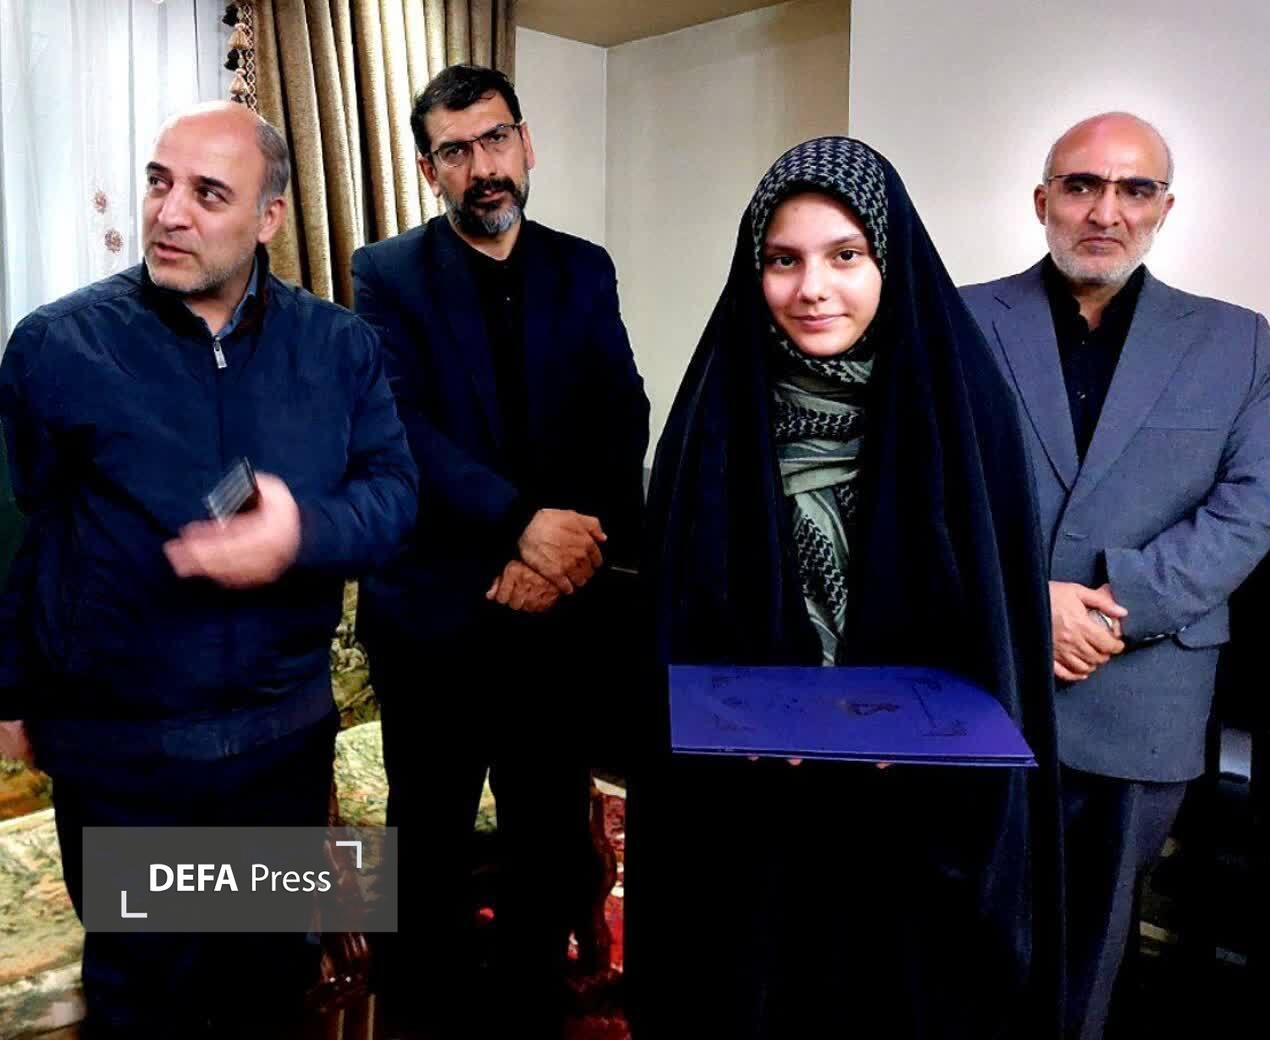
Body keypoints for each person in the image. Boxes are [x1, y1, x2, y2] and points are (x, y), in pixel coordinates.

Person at [624, 135, 1063, 1039]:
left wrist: (909, 732)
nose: (812, 288)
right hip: (753, 813)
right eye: (783, 260)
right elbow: (678, 618)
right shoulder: (715, 411)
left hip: (911, 819)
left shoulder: (965, 406)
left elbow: (993, 621)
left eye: (845, 256)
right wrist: (751, 717)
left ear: (888, 261)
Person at [0, 101, 418, 1038]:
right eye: (159, 182)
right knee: (144, 1002)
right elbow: (27, 531)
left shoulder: (341, 346)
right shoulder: (56, 345)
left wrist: (299, 533)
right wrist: (12, 691)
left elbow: (396, 498)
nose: (169, 212)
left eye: (207, 193)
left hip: (280, 750)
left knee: (269, 990)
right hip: (125, 763)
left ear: (269, 216)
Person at [351, 64, 648, 1038]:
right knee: (424, 851)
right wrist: (522, 525)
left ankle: (532, 1010)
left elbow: (621, 415)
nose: (482, 167)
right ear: (427, 169)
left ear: (525, 144)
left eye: (494, 140)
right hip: (436, 618)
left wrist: (568, 551)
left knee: (549, 841)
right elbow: (400, 427)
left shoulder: (583, 267)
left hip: (556, 619)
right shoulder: (384, 273)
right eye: (455, 150)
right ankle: (419, 1019)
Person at [962, 111, 1270, 1040]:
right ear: (1042, 201)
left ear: (1165, 208)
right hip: (981, 686)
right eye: (1082, 185)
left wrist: (1109, 612)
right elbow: (923, 490)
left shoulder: (1241, 342)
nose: (1107, 211)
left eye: (1135, 189)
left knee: (1086, 973)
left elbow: (1249, 510)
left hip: (1141, 700)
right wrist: (1027, 608)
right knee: (955, 948)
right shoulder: (957, 320)